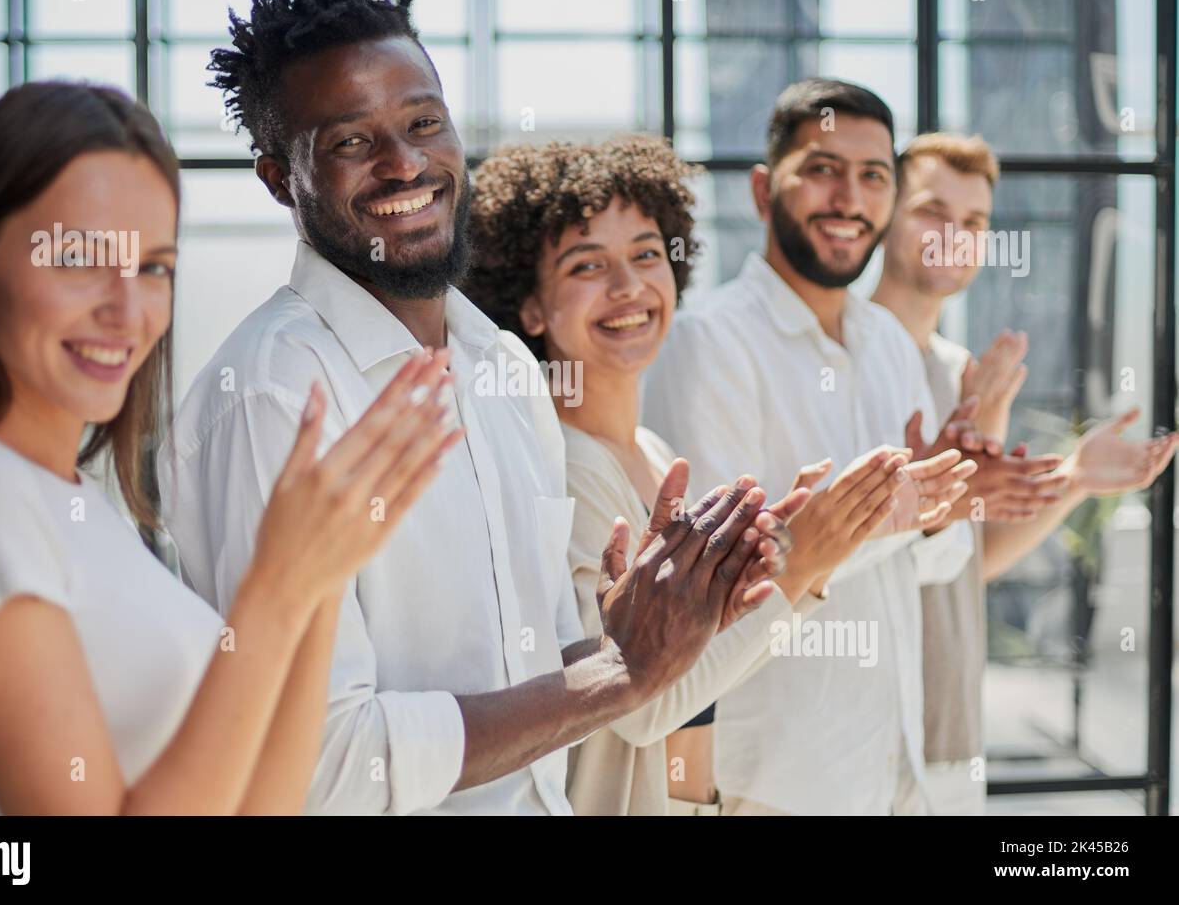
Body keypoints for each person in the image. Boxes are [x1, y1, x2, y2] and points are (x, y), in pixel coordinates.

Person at [162, 0, 791, 815]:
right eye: (349, 141)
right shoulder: (275, 396)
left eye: (424, 122)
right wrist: (619, 672)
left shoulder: (500, 370)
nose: (404, 164)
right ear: (278, 176)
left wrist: (650, 626)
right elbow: (322, 763)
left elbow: (527, 685)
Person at [0, 80, 458, 815]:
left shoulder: (80, 507)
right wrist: (274, 591)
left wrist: (316, 580)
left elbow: (265, 806)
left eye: (152, 267)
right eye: (81, 256)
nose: (127, 308)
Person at [643, 78, 1047, 815]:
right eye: (822, 169)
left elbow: (936, 562)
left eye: (873, 177)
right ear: (766, 191)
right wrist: (899, 510)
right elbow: (726, 577)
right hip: (774, 785)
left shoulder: (888, 345)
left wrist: (938, 509)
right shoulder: (711, 344)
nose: (848, 198)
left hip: (896, 774)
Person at [464, 135, 879, 815]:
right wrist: (801, 569)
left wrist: (786, 563)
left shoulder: (653, 452)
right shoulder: (566, 468)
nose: (629, 287)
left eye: (646, 255)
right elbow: (632, 703)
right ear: (531, 307)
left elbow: (694, 665)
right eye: (586, 265)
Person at [871, 131, 1179, 813]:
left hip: (950, 729)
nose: (956, 236)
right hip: (862, 738)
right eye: (932, 212)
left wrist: (1074, 478)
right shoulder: (841, 358)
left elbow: (969, 556)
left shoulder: (964, 372)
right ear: (884, 212)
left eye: (975, 222)